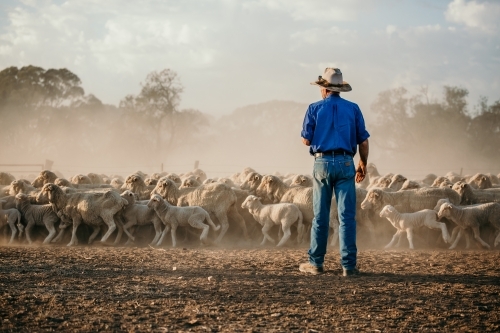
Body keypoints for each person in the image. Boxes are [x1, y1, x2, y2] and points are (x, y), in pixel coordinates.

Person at [299, 67, 370, 277]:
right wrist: (363, 164)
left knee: (320, 216)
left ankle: (316, 263)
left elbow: (306, 140)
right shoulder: (354, 108)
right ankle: (348, 266)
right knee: (346, 216)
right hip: (346, 162)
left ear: (324, 89)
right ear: (339, 89)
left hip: (322, 163)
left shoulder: (314, 108)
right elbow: (363, 141)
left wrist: (319, 133)